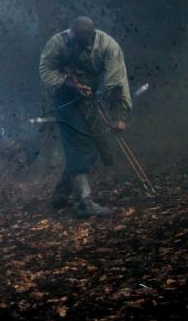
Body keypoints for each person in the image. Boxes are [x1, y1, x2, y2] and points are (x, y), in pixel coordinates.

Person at [38, 16, 131, 217]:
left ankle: (61, 195)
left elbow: (116, 82)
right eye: (74, 40)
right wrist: (73, 85)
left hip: (93, 96)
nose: (76, 46)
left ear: (91, 37)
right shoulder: (58, 43)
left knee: (98, 145)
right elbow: (46, 71)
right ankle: (83, 204)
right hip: (66, 97)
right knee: (80, 144)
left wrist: (118, 116)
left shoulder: (108, 46)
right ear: (70, 33)